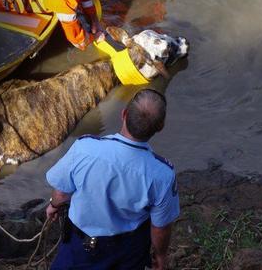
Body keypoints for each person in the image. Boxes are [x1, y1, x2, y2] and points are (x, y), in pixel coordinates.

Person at [45, 89, 180, 269]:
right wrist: (160, 256)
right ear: (160, 127)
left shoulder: (84, 149)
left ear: (123, 114)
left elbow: (61, 193)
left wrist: (54, 205)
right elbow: (160, 226)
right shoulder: (162, 175)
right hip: (126, 251)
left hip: (79, 244)